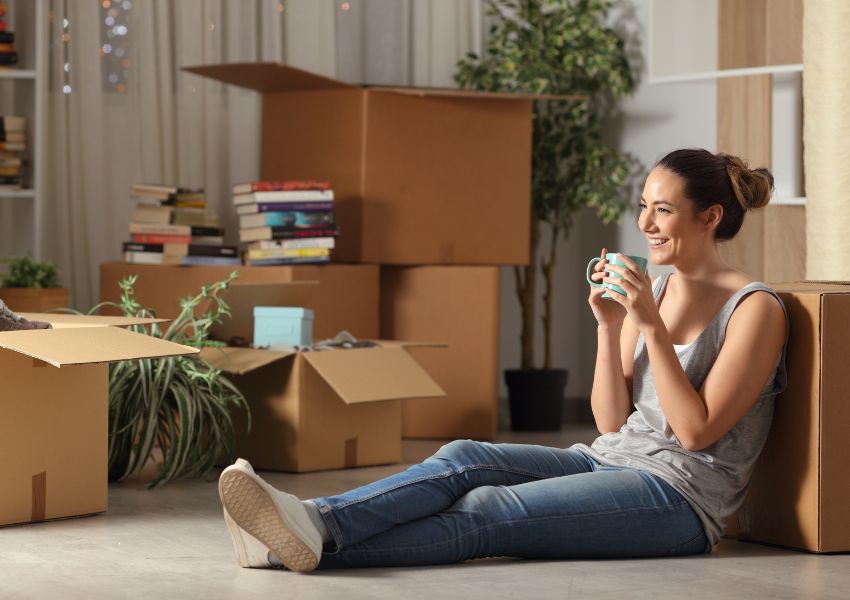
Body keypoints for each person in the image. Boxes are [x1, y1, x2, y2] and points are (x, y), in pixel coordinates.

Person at [217, 148, 789, 572]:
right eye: (643, 207)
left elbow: (693, 433)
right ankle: (311, 522)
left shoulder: (754, 310)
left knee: (488, 510)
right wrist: (608, 326)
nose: (643, 225)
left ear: (710, 217)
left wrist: (648, 328)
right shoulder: (659, 292)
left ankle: (290, 543)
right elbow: (611, 423)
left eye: (661, 211)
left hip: (680, 500)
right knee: (466, 457)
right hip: (610, 459)